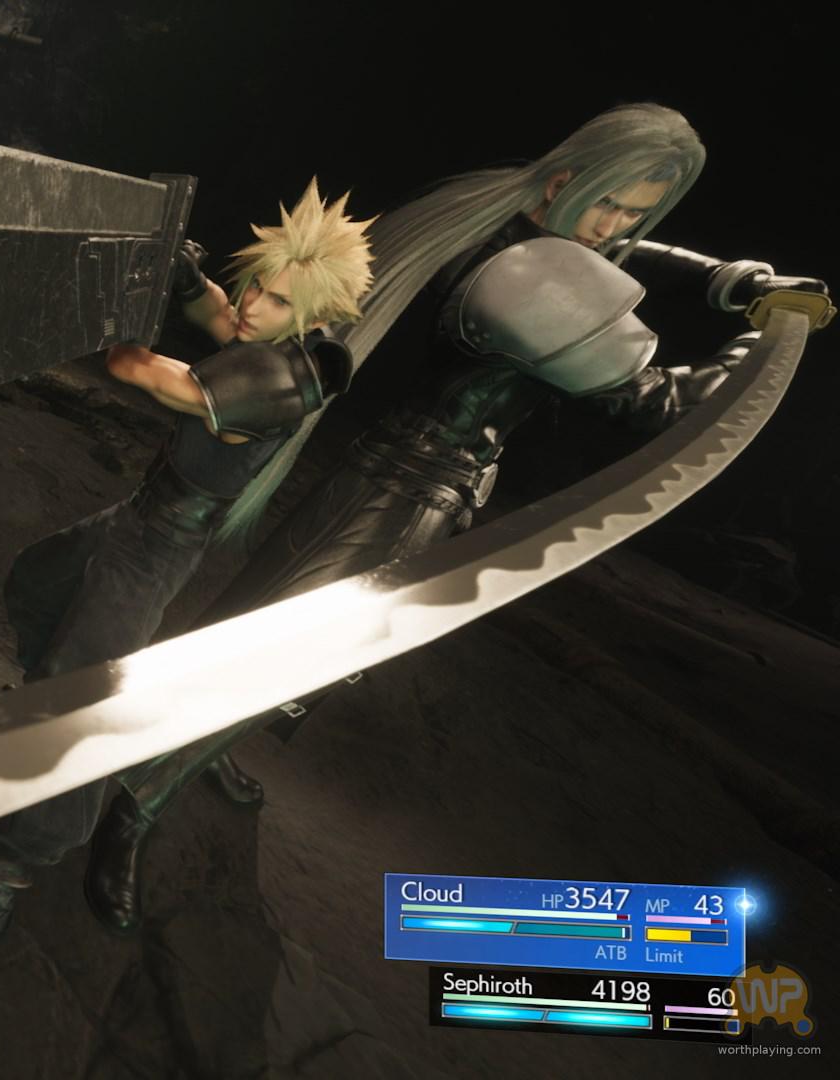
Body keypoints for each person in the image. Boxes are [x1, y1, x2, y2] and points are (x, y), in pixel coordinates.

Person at [80, 102, 830, 935]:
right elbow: (658, 405)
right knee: (273, 654)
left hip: (438, 486)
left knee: (306, 653)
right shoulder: (523, 276)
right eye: (612, 202)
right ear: (566, 180)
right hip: (405, 488)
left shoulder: (536, 229)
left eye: (637, 210)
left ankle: (203, 752)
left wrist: (738, 281)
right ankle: (136, 804)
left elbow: (631, 255)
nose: (617, 225)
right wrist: (769, 339)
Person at [0, 179, 376, 977]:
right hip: (135, 517)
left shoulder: (274, 387)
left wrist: (129, 294)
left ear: (311, 315)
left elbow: (132, 366)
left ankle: (6, 878)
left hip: (156, 550)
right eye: (255, 285)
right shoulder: (267, 329)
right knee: (36, 584)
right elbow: (216, 312)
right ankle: (33, 712)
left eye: (273, 299)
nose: (252, 304)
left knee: (75, 715)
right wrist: (184, 273)